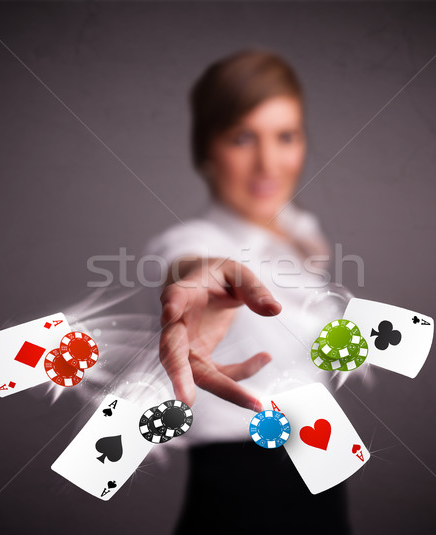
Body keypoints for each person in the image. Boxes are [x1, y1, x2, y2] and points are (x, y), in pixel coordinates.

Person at [143, 49, 352, 534]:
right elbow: (189, 264)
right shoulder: (193, 241)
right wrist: (202, 275)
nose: (268, 163)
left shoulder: (302, 238)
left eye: (286, 136)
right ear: (206, 151)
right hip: (241, 492)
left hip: (324, 478)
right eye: (242, 138)